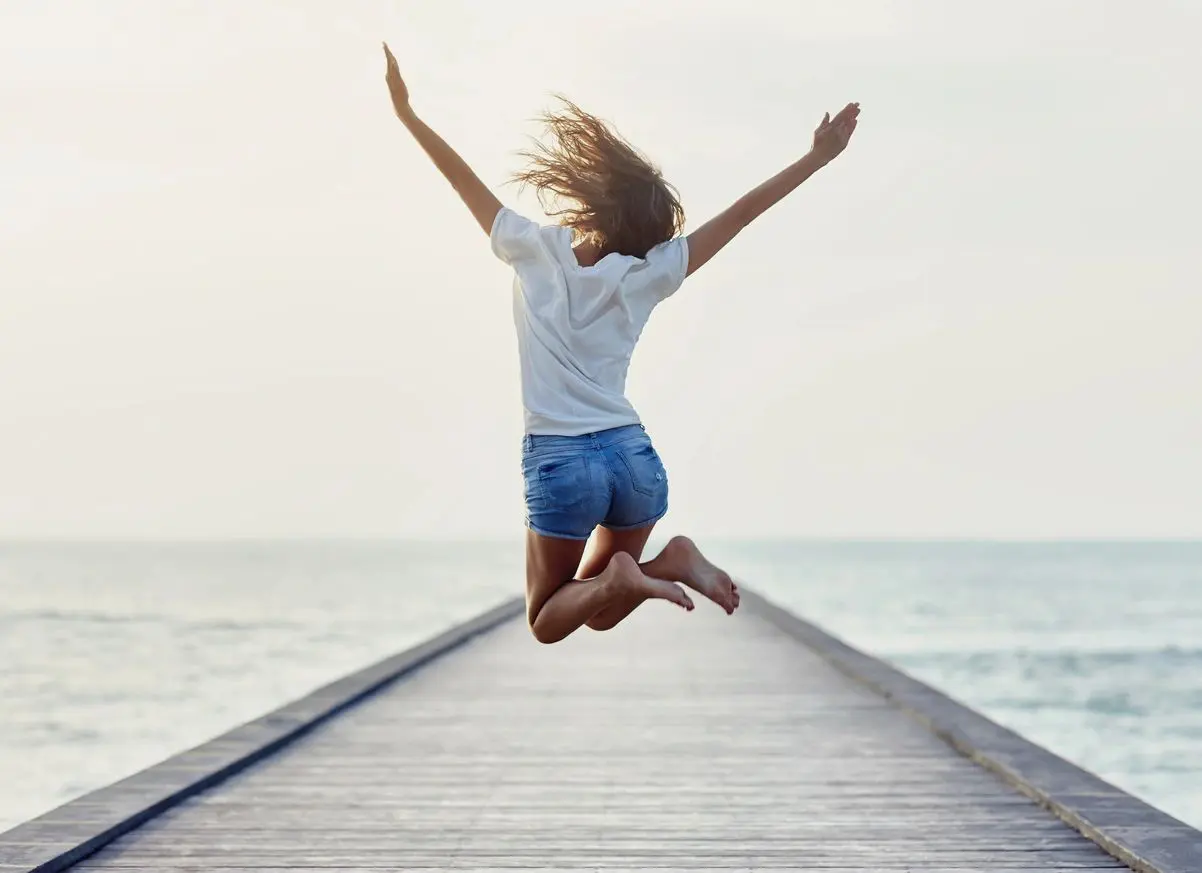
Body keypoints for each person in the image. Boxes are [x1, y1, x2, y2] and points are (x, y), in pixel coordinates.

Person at [381, 43, 860, 644]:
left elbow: (462, 180)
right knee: (600, 607)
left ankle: (637, 576)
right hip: (632, 459)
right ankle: (668, 563)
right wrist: (815, 159)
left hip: (561, 458)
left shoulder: (532, 248)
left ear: (595, 203)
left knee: (548, 620)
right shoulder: (647, 276)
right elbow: (740, 216)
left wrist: (408, 116)